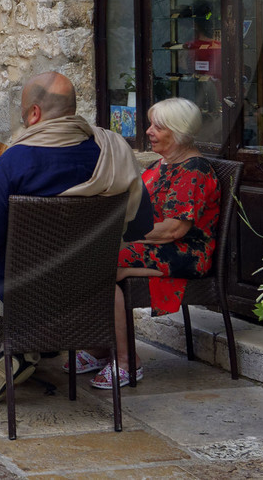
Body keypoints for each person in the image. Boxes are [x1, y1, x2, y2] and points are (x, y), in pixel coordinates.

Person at [0, 72, 151, 403]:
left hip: (21, 295)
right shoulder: (112, 150)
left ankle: (0, 357)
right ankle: (15, 356)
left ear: (34, 114)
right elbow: (140, 227)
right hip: (92, 295)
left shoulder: (18, 159)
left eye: (23, 113)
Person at [94, 96, 222, 390]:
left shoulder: (195, 171)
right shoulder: (161, 165)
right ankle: (101, 349)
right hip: (157, 246)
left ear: (178, 133)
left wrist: (121, 235)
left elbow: (173, 230)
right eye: (151, 124)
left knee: (104, 264)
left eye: (158, 127)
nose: (149, 131)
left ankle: (126, 362)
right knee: (93, 257)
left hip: (186, 253)